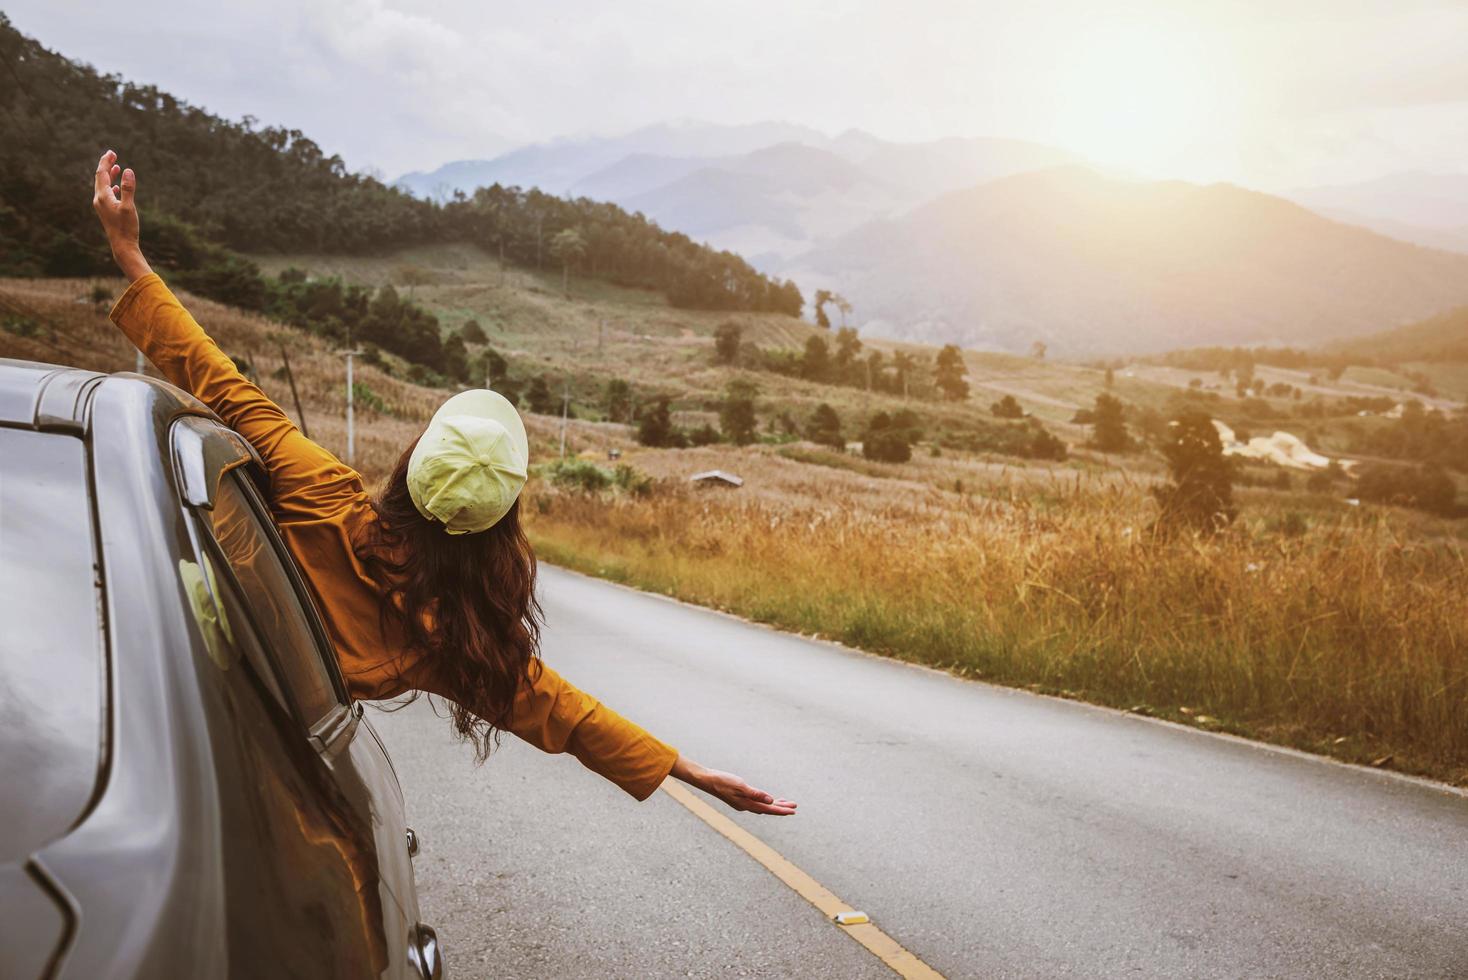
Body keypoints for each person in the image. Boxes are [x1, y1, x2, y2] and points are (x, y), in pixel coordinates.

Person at [91, 150, 795, 817]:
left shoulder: (318, 489)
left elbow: (217, 379)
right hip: (274, 776)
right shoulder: (448, 639)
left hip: (166, 716)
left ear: (412, 464)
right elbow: (563, 711)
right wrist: (687, 769)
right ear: (497, 526)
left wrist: (129, 254)